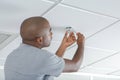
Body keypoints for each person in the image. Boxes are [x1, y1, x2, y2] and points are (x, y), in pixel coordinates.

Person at [4, 16, 85, 80]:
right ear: (40, 39)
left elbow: (49, 67)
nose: (52, 34)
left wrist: (63, 46)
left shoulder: (11, 56)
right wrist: (81, 44)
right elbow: (75, 66)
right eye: (49, 31)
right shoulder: (43, 58)